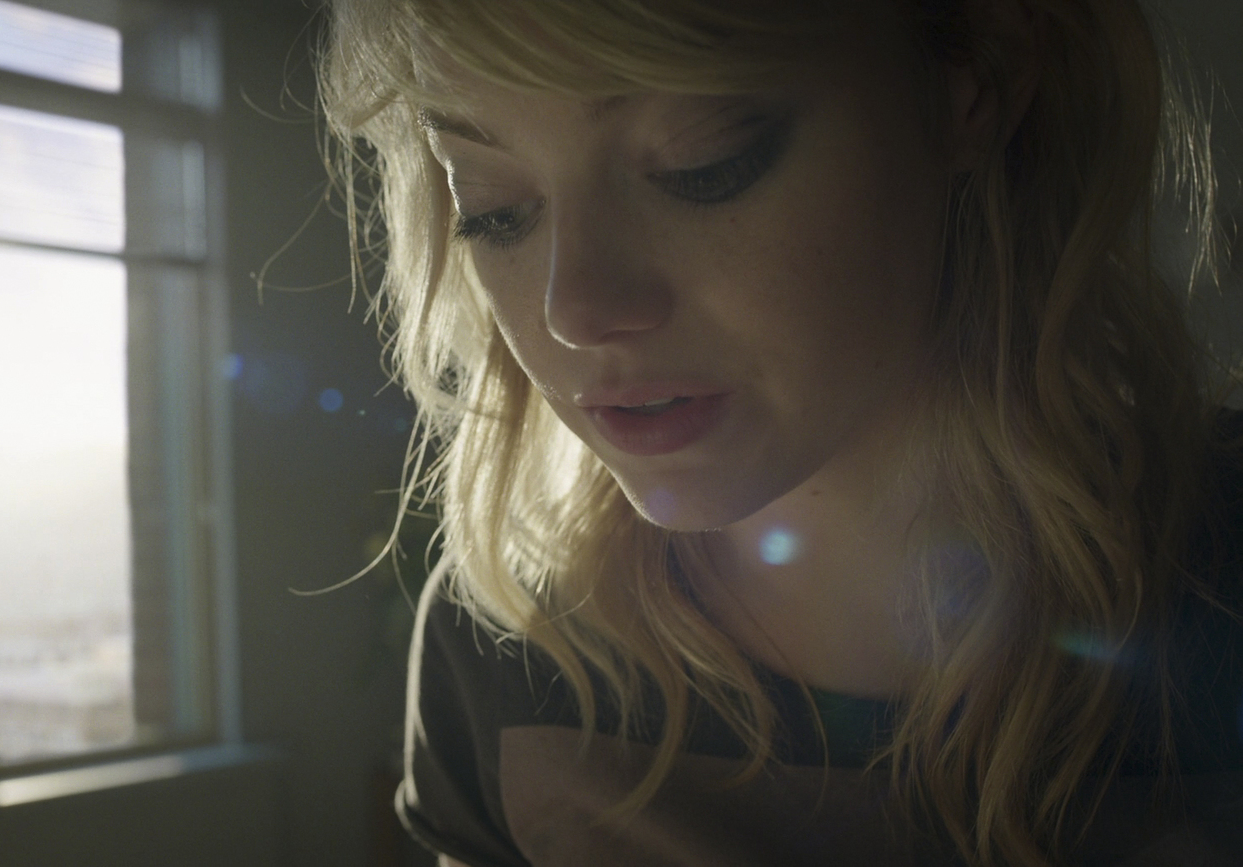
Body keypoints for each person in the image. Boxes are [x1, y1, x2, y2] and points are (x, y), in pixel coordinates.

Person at [316, 0, 1243, 864]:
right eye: (494, 207)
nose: (574, 310)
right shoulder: (507, 649)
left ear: (975, 78)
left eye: (701, 164)